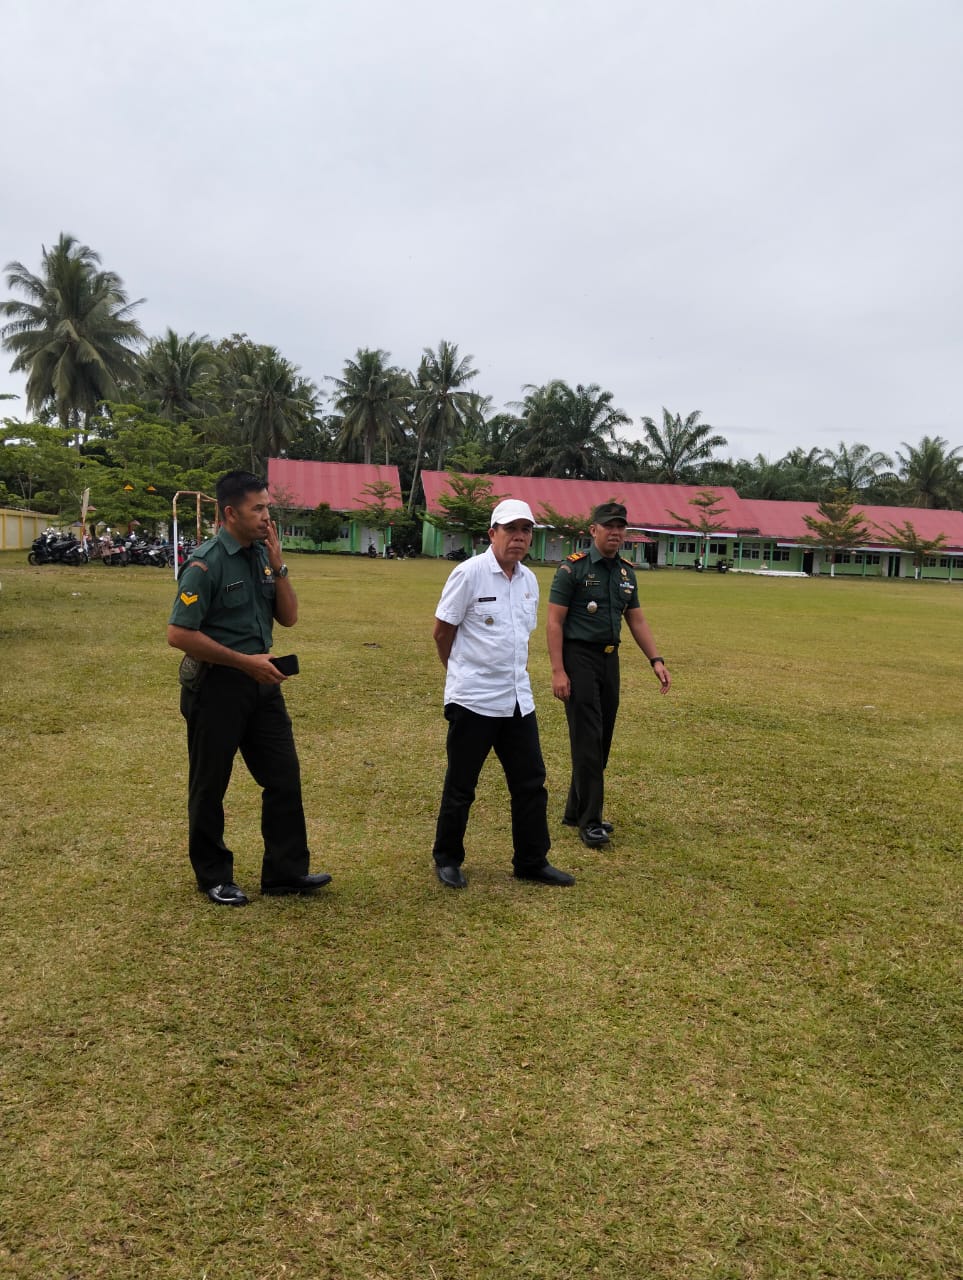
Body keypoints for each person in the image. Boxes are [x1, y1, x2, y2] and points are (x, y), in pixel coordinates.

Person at [167, 470, 332, 906]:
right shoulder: (206, 564)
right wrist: (244, 663)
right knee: (210, 785)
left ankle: (285, 871)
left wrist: (279, 567)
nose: (266, 517)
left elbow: (290, 618)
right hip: (218, 688)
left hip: (264, 687)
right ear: (229, 513)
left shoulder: (262, 555)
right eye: (257, 509)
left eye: (267, 508)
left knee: (283, 779)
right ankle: (213, 876)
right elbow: (179, 634)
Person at [430, 499, 575, 889]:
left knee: (531, 782)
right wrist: (459, 673)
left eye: (526, 530)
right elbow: (443, 632)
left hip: (516, 699)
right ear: (492, 533)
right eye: (511, 529)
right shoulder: (469, 574)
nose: (519, 537)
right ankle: (447, 857)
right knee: (462, 783)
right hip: (474, 699)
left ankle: (531, 860)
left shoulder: (529, 579)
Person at [547, 501, 671, 849]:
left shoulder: (626, 572)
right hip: (578, 658)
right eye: (609, 527)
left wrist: (655, 659)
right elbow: (554, 622)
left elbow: (637, 620)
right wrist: (558, 671)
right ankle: (591, 821)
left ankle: (576, 810)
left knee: (601, 739)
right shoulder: (571, 570)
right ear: (593, 530)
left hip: (609, 659)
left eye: (621, 527)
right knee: (587, 738)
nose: (616, 533)